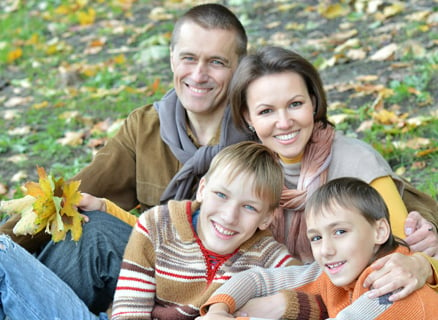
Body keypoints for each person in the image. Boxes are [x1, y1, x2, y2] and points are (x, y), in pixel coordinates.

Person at [0, 3, 253, 314]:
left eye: (216, 62)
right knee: (75, 228)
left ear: (240, 67)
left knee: (96, 236)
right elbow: (69, 198)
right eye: (189, 58)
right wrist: (5, 243)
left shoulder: (256, 135)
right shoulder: (147, 126)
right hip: (147, 272)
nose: (199, 75)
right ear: (172, 57)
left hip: (211, 287)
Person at [214, 46, 438, 318]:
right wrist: (218, 308)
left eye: (295, 104)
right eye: (266, 111)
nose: (284, 122)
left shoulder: (357, 162)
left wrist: (423, 264)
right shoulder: (243, 172)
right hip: (317, 288)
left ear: (313, 102)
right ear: (248, 117)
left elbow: (404, 258)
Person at [0, 141, 327, 320]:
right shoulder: (157, 225)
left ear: (268, 218)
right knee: (4, 252)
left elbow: (319, 293)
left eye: (249, 207)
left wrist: (251, 308)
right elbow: (130, 308)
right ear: (202, 189)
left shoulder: (266, 257)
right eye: (221, 196)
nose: (229, 216)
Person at [198, 177, 438, 320]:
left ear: (380, 232)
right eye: (316, 238)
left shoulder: (393, 288)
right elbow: (257, 279)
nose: (326, 250)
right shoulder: (335, 273)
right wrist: (218, 310)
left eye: (340, 232)